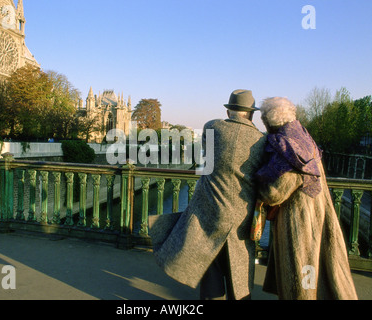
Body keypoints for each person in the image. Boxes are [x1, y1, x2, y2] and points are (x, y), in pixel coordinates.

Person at [149, 89, 266, 300]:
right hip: (241, 215)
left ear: (230, 110)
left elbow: (207, 155)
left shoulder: (212, 127)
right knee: (239, 271)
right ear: (251, 113)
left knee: (209, 264)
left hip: (210, 209)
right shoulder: (260, 140)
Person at [255, 97, 358, 300]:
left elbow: (276, 191)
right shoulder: (304, 138)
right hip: (317, 212)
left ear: (270, 120)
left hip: (300, 221)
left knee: (303, 269)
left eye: (263, 118)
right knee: (316, 266)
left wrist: (260, 189)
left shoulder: (287, 147)